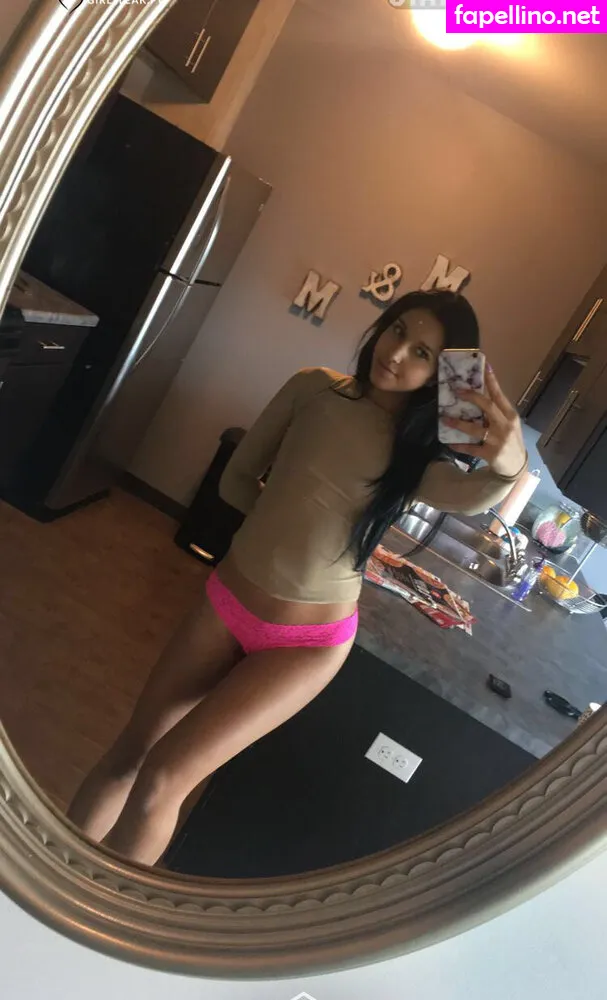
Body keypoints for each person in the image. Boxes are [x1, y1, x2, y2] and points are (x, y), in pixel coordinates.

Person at [67, 289, 528, 865]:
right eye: (397, 330)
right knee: (131, 752)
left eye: (423, 354)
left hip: (306, 645)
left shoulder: (417, 459)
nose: (396, 353)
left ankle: (98, 913)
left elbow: (472, 496)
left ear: (441, 375)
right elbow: (237, 479)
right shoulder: (312, 388)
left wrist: (511, 464)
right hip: (228, 601)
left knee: (162, 780)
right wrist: (286, 529)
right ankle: (53, 883)